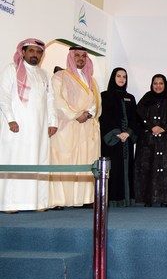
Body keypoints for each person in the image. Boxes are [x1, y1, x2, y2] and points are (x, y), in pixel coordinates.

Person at [0, 39, 57, 212]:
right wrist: (10, 119)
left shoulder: (44, 74)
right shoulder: (11, 69)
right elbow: (3, 96)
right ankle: (10, 204)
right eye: (31, 51)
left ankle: (37, 203)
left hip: (39, 129)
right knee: (14, 161)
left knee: (39, 161)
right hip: (16, 127)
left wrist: (52, 122)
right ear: (23, 52)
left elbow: (50, 101)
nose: (35, 55)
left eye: (38, 52)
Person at [49, 46, 101, 209]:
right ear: (71, 57)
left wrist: (89, 114)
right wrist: (77, 114)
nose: (80, 58)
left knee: (86, 161)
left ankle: (84, 199)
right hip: (68, 127)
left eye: (83, 56)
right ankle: (59, 200)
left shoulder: (92, 80)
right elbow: (57, 101)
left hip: (87, 127)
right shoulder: (60, 77)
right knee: (64, 161)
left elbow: (97, 102)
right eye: (77, 55)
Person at [135, 74, 167, 207]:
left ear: (165, 85)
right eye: (155, 83)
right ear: (152, 85)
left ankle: (165, 198)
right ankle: (147, 198)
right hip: (148, 140)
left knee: (166, 169)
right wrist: (152, 127)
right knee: (148, 168)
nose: (158, 86)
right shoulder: (145, 100)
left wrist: (164, 128)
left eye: (161, 83)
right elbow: (139, 114)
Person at [99, 67, 138, 207]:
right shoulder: (104, 96)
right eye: (119, 76)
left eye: (124, 76)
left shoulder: (130, 98)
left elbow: (134, 118)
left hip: (126, 141)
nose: (122, 79)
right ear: (113, 78)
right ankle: (112, 201)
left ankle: (126, 200)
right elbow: (104, 118)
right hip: (112, 141)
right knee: (113, 170)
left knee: (126, 170)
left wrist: (128, 133)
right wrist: (116, 133)